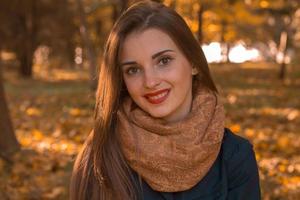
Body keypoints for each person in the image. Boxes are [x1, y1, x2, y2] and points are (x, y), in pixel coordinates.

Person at [70, 1, 261, 199]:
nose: (150, 82)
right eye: (133, 70)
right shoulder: (100, 156)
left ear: (194, 62)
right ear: (122, 79)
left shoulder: (235, 157)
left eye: (163, 61)